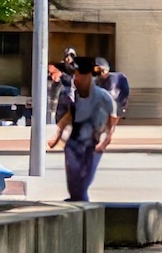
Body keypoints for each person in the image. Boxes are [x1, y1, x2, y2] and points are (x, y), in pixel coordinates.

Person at [49, 63, 117, 203]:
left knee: (83, 179)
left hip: (92, 143)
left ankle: (80, 203)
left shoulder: (103, 96)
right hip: (74, 143)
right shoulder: (77, 96)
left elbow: (112, 120)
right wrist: (57, 138)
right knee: (73, 178)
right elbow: (69, 116)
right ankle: (77, 201)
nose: (76, 79)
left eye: (79, 76)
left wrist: (105, 142)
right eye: (76, 76)